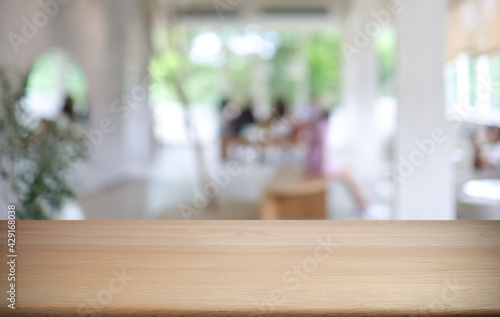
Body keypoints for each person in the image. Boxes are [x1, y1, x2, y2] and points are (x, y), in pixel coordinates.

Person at [297, 101, 387, 219]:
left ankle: (364, 204)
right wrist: (321, 168)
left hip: (312, 161)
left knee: (348, 172)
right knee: (348, 173)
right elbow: (323, 147)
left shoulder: (314, 124)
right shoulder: (322, 124)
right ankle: (366, 206)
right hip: (318, 163)